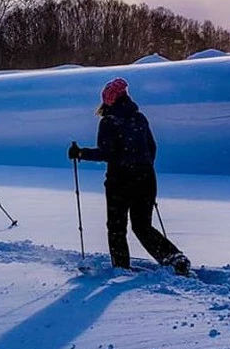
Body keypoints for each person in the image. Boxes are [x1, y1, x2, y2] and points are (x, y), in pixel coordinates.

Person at [68, 77, 191, 276]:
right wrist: (142, 166)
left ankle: (121, 268)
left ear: (108, 101)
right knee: (142, 226)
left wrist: (81, 153)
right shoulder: (139, 118)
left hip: (120, 181)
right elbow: (151, 148)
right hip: (146, 178)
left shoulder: (109, 122)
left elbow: (107, 153)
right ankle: (174, 258)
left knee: (117, 226)